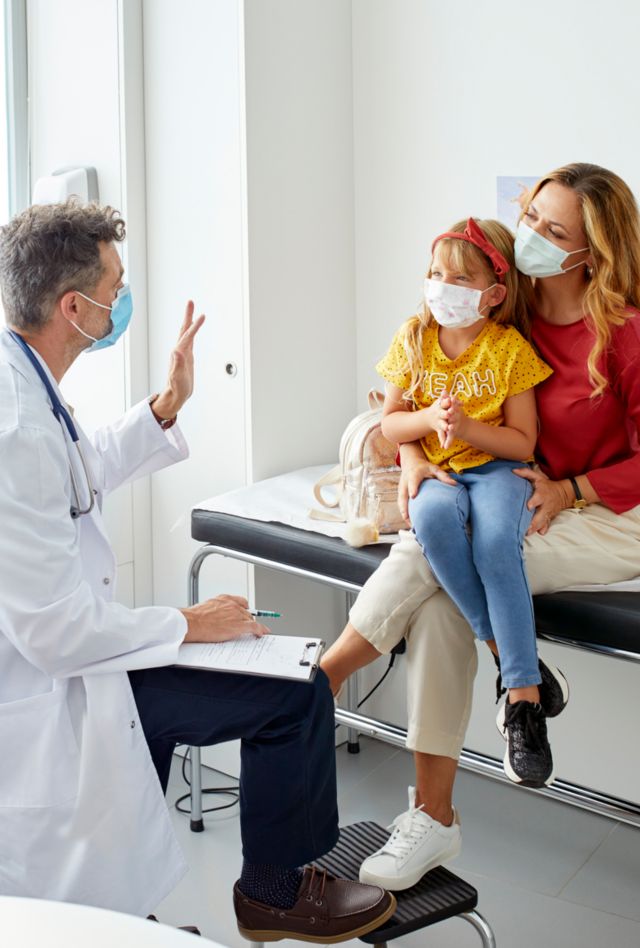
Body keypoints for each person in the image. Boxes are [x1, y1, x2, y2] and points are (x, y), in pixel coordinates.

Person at [0, 201, 396, 943]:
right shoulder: (15, 427)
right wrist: (190, 622)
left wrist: (165, 406)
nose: (121, 301)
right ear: (73, 306)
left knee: (107, 856)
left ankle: (129, 914)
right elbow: (57, 635)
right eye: (116, 287)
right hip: (53, 685)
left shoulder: (26, 385)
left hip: (80, 663)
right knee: (295, 692)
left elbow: (80, 472)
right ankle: (275, 894)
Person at [321, 162, 640, 892]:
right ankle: (513, 697)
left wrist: (574, 487)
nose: (529, 235)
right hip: (511, 493)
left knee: (441, 563)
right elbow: (417, 389)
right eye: (530, 216)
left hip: (611, 510)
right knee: (440, 571)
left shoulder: (623, 333)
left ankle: (336, 686)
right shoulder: (503, 305)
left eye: (552, 231)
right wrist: (408, 454)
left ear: (591, 253)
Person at [376, 215, 566, 799]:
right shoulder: (413, 338)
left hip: (498, 470)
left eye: (460, 278)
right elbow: (389, 422)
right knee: (431, 520)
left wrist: (469, 429)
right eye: (436, 273)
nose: (442, 287)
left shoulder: (509, 350)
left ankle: (524, 709)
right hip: (438, 471)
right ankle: (514, 662)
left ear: (493, 294)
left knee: (492, 546)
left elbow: (522, 442)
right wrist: (426, 429)